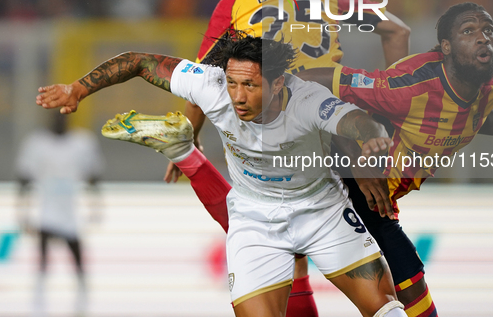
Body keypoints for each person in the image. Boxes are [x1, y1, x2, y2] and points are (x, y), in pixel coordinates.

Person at [168, 0, 411, 316]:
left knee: (279, 255)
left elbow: (203, 75)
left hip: (278, 146)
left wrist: (185, 140)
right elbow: (396, 31)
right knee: (390, 278)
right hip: (344, 144)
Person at [36, 33, 409, 317]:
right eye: (233, 82)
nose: (237, 96)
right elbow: (138, 61)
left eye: (250, 85)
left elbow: (360, 123)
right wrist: (78, 89)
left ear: (279, 84)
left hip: (321, 211)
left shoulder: (307, 100)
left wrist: (371, 146)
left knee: (387, 310)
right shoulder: (210, 85)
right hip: (254, 220)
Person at [297, 2, 493, 317]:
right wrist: (358, 165)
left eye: (488, 30)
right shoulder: (408, 89)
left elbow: (476, 118)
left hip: (378, 198)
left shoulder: (488, 90)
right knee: (407, 292)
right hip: (345, 186)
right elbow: (311, 81)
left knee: (377, 295)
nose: (483, 38)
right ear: (446, 47)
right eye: (469, 31)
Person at [16, 112, 104, 317]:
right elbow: (24, 179)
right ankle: (39, 298)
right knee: (43, 254)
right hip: (46, 208)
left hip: (70, 209)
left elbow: (93, 177)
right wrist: (23, 212)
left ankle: (82, 298)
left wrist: (96, 207)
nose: (59, 120)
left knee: (76, 254)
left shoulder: (82, 143)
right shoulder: (36, 144)